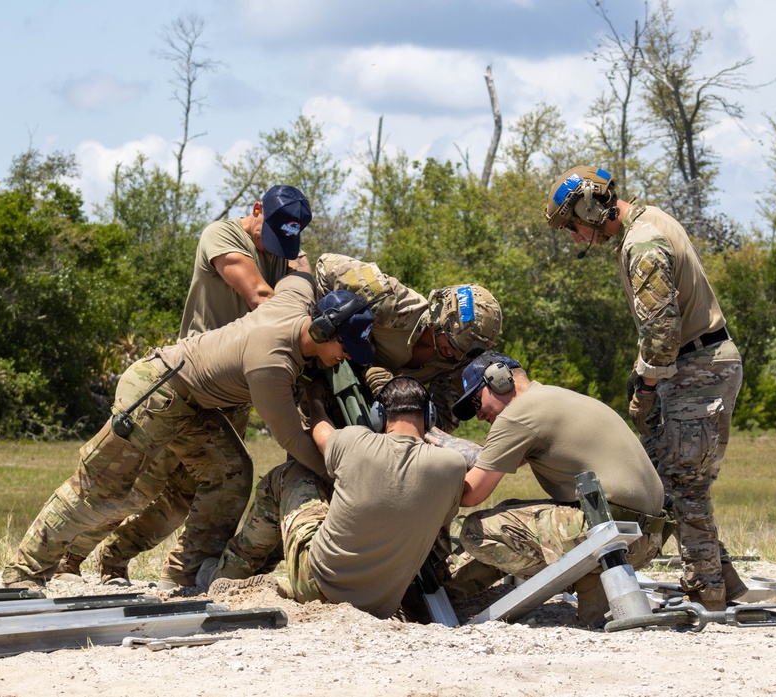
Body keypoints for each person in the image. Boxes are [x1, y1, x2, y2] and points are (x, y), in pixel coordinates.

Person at [2, 274, 375, 590]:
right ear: (322, 328)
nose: (346, 357)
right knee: (101, 488)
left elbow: (298, 277)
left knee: (231, 475)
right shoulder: (272, 364)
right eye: (346, 347)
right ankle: (24, 573)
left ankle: (186, 575)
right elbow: (293, 439)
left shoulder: (295, 302)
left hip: (193, 404)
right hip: (155, 391)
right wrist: (340, 476)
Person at [54, 185, 313, 585]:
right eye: (275, 233)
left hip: (231, 395)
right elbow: (264, 299)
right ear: (257, 209)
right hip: (188, 384)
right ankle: (68, 558)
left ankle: (123, 560)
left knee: (189, 494)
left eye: (290, 239)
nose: (280, 247)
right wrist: (304, 285)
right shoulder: (223, 235)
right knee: (141, 485)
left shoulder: (285, 253)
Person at [544, 165, 746, 611]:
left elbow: (661, 332)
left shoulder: (642, 243)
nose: (577, 238)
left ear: (590, 210)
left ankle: (708, 592)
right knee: (669, 478)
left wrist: (647, 387)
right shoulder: (647, 222)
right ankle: (724, 580)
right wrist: (648, 377)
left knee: (681, 482)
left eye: (574, 227)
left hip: (698, 368)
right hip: (693, 365)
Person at [204, 376, 466, 620]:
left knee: (290, 474)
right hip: (378, 605)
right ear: (430, 416)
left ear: (379, 416)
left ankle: (226, 576)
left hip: (316, 583)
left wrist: (316, 404)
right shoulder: (451, 467)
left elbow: (320, 430)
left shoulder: (355, 442)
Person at [441, 351, 668, 627]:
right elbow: (485, 456)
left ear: (498, 379)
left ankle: (588, 579)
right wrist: (433, 437)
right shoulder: (551, 399)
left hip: (611, 539)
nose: (478, 415)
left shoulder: (516, 417)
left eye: (477, 401)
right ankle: (450, 589)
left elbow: (471, 494)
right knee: (507, 514)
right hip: (645, 535)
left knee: (477, 530)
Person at [314, 253, 503, 432]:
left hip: (371, 422)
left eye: (468, 353)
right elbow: (326, 265)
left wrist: (400, 398)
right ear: (440, 320)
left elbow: (442, 419)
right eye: (455, 345)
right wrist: (328, 336)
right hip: (324, 385)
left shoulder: (459, 364)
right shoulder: (389, 301)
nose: (458, 356)